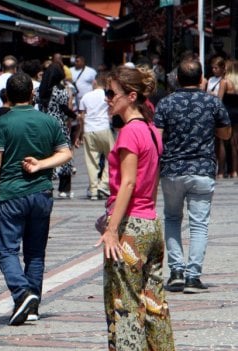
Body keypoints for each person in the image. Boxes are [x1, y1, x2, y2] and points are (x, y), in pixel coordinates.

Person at [0, 72, 71, 325]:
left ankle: (22, 293)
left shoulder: (4, 121)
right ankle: (31, 306)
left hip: (11, 194)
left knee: (6, 249)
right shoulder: (49, 122)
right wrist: (41, 164)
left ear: (8, 97)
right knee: (35, 253)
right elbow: (65, 153)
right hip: (42, 192)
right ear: (32, 95)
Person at [97, 65, 174, 350]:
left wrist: (112, 229)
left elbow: (128, 184)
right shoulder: (152, 130)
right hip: (151, 223)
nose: (107, 98)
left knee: (125, 303)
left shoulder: (129, 132)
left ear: (131, 96)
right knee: (154, 302)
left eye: (111, 93)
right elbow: (146, 184)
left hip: (131, 228)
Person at [154, 59, 231, 293]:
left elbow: (157, 137)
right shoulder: (212, 102)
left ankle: (176, 271)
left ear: (177, 78)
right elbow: (226, 134)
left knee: (172, 218)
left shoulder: (166, 103)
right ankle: (193, 276)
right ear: (201, 79)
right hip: (202, 170)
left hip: (172, 171)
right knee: (198, 225)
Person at [37, 62, 76, 198]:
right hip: (58, 124)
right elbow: (65, 109)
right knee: (64, 152)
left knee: (46, 153)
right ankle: (64, 189)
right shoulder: (61, 90)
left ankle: (46, 183)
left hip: (42, 124)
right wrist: (76, 116)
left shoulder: (39, 90)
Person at [75, 71, 114, 200]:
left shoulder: (86, 96)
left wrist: (79, 134)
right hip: (104, 128)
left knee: (92, 161)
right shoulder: (106, 95)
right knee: (112, 158)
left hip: (89, 129)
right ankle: (104, 183)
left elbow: (81, 116)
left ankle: (93, 189)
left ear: (94, 82)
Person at [223, 59, 238, 178]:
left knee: (222, 142)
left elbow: (218, 99)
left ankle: (221, 172)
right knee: (235, 143)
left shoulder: (225, 82)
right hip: (237, 112)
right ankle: (234, 171)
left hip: (227, 112)